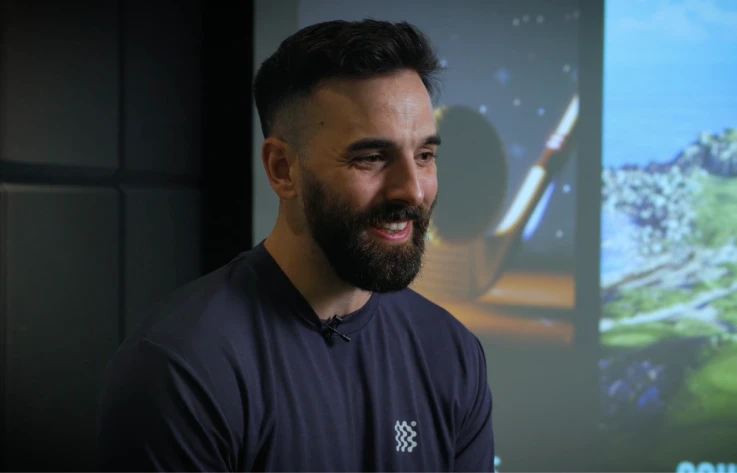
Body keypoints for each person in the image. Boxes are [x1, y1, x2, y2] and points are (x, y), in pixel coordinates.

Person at [95, 18, 494, 473]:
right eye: (371, 157)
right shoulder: (181, 368)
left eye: (424, 156)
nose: (413, 191)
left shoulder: (451, 351)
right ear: (283, 169)